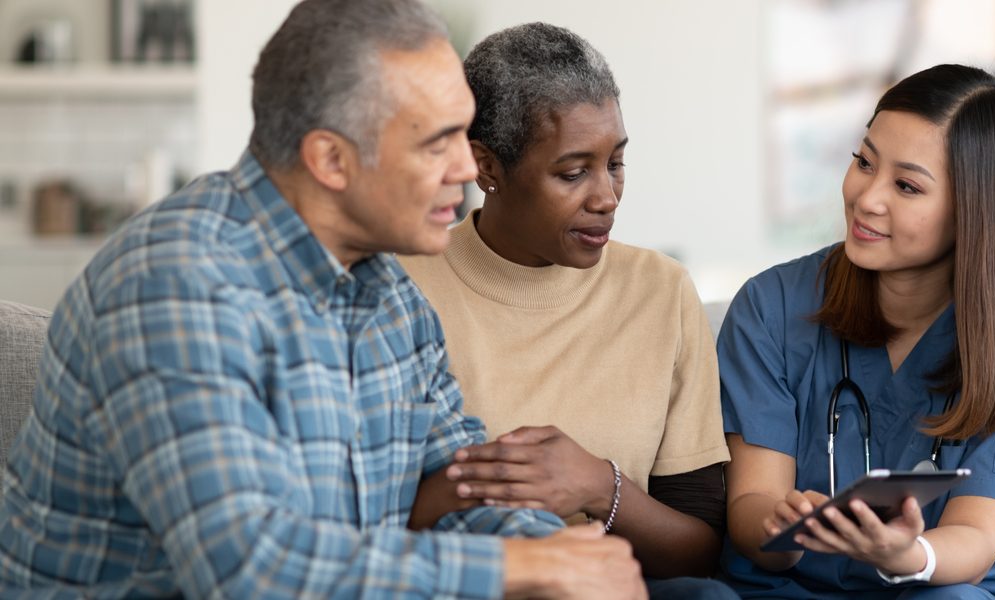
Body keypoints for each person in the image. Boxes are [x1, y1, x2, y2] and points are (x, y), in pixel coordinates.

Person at [0, 1, 646, 598]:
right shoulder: (174, 283)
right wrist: (526, 566)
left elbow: (465, 489)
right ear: (331, 160)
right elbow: (247, 569)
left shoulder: (393, 297)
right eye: (436, 142)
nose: (465, 167)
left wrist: (563, 555)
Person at [399, 22, 734, 599]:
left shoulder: (661, 291)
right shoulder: (404, 288)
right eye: (573, 172)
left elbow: (701, 549)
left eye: (616, 164)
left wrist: (601, 488)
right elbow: (364, 521)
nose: (606, 197)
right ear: (486, 168)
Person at [717, 64, 995, 599]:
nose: (867, 197)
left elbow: (973, 539)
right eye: (864, 162)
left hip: (936, 585)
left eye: (906, 185)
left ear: (974, 212)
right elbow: (751, 504)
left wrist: (908, 554)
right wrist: (782, 526)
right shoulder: (772, 309)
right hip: (785, 587)